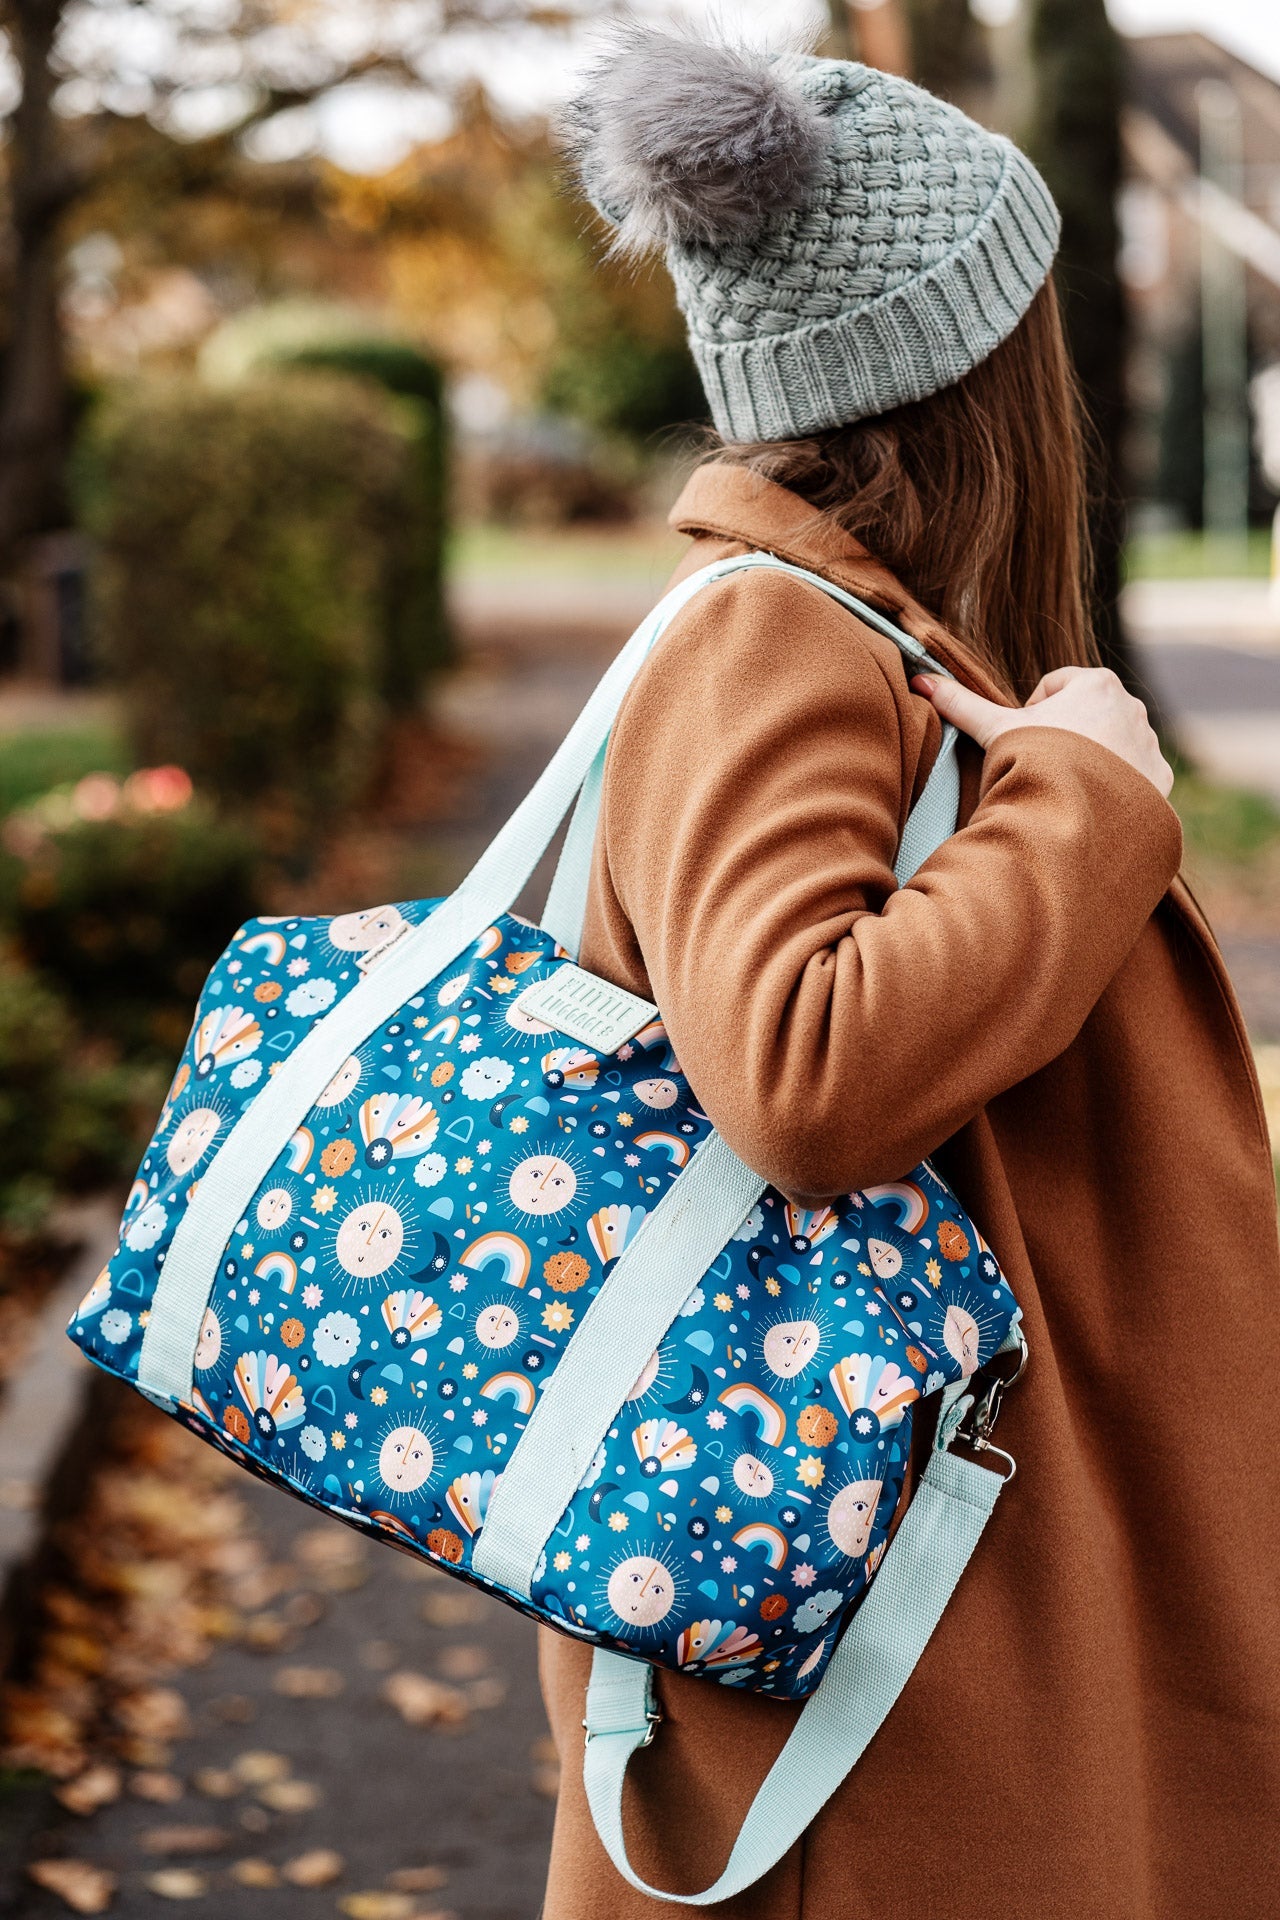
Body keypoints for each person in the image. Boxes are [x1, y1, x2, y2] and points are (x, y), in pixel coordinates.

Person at [536, 25, 1280, 1920]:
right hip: (906, 1639)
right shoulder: (774, 639)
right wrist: (1091, 803)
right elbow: (806, 1072)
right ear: (977, 370)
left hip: (982, 1562)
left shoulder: (872, 635)